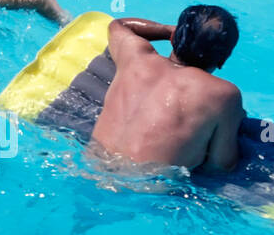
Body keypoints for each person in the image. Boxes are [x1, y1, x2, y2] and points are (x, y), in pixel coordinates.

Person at [89, 9, 244, 175]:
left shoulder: (134, 56)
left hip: (90, 165)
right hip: (145, 189)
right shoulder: (224, 94)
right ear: (223, 60)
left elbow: (118, 24)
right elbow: (221, 165)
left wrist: (168, 30)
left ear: (173, 38)